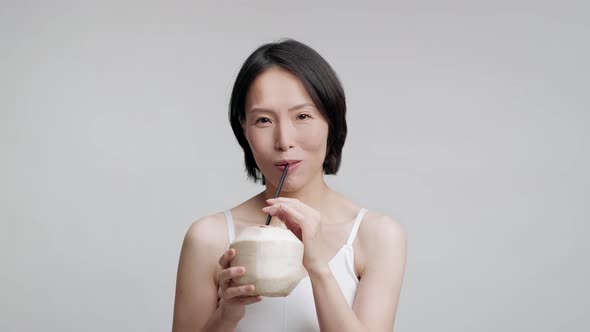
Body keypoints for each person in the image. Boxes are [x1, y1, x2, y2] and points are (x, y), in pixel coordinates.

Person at [172, 39, 407, 332]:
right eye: (263, 120)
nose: (284, 140)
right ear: (243, 128)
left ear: (331, 122)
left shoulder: (377, 236)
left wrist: (319, 267)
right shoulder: (208, 238)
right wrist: (227, 316)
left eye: (303, 116)